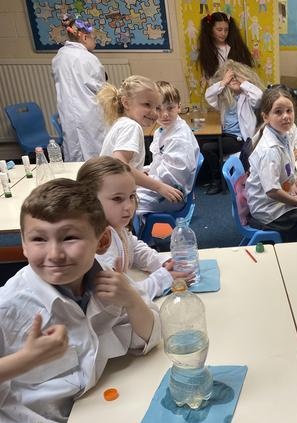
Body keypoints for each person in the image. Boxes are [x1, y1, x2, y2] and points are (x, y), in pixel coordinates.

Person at [0, 179, 160, 423]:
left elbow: (150, 336)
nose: (54, 254)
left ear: (102, 241)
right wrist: (24, 361)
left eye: (70, 237)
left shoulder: (106, 279)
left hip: (100, 413)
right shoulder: (9, 307)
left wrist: (132, 301)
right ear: (23, 244)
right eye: (38, 239)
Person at [77, 157, 192, 299]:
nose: (129, 206)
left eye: (131, 196)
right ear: (89, 201)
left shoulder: (115, 226)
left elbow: (134, 247)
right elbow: (121, 296)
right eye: (117, 199)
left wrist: (162, 262)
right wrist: (163, 279)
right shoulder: (99, 247)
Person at [245, 86, 297, 242]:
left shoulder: (283, 136)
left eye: (289, 111)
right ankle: (294, 248)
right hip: (268, 212)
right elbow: (272, 191)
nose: (285, 116)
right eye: (278, 112)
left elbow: (285, 173)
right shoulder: (270, 150)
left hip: (276, 199)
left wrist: (294, 185)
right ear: (266, 117)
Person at [97, 75, 184, 205]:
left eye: (157, 107)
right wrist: (159, 187)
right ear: (126, 103)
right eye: (147, 105)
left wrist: (138, 172)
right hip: (114, 196)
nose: (154, 113)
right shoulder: (132, 127)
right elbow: (119, 163)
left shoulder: (122, 122)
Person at [137, 81, 200, 215]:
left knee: (126, 203)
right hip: (162, 186)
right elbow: (159, 163)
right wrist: (146, 172)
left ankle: (134, 228)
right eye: (159, 109)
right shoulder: (162, 130)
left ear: (179, 107)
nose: (164, 114)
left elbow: (172, 178)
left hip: (171, 194)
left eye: (170, 108)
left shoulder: (179, 138)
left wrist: (144, 181)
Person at [203, 60, 263, 194]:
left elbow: (259, 97)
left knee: (208, 148)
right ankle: (213, 176)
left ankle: (217, 181)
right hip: (226, 135)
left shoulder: (247, 97)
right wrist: (223, 82)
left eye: (237, 77)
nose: (234, 80)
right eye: (231, 78)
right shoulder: (224, 98)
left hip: (240, 138)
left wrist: (243, 82)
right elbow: (209, 95)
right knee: (204, 143)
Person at [51, 14, 106, 161]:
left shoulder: (59, 57)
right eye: (94, 38)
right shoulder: (88, 58)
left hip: (68, 113)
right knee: (95, 150)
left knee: (75, 150)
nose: (95, 42)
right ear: (85, 37)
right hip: (89, 112)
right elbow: (102, 89)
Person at [197, 11, 254, 82]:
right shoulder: (207, 52)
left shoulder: (237, 47)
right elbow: (210, 77)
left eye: (226, 30)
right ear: (210, 30)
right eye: (219, 30)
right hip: (219, 86)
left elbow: (246, 71)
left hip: (238, 84)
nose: (223, 33)